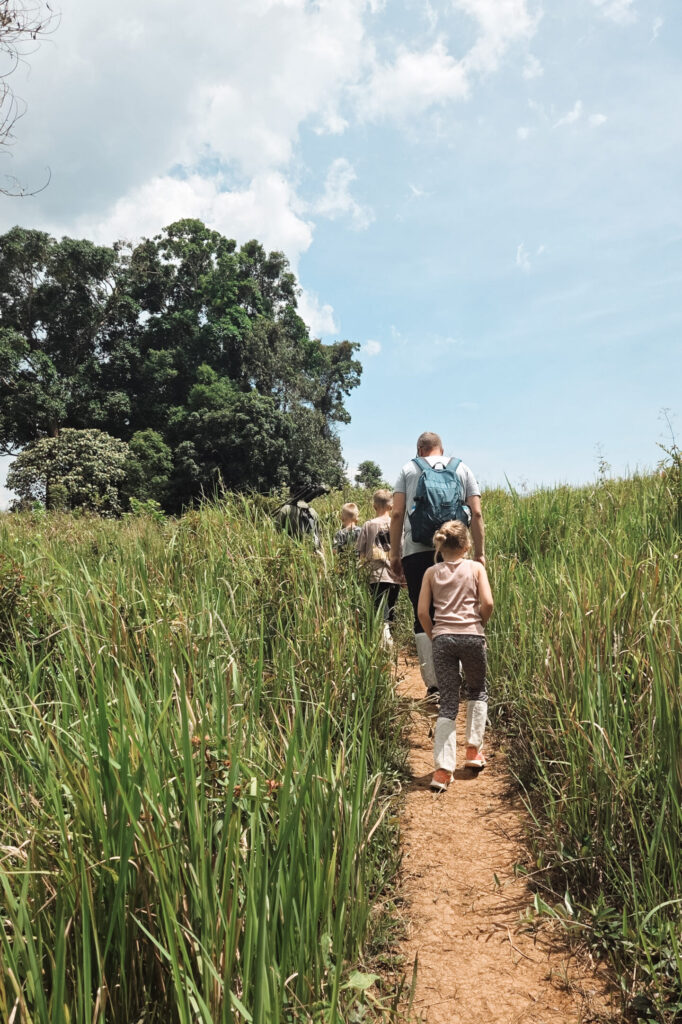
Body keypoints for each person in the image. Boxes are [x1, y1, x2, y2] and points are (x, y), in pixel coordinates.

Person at [390, 431, 485, 694]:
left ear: (419, 449)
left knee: (423, 613)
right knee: (456, 611)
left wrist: (395, 554)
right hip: (453, 551)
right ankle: (457, 677)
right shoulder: (462, 468)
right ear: (441, 449)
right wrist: (479, 553)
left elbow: (397, 513)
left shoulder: (408, 469)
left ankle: (435, 684)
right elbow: (476, 513)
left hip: (416, 551)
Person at [417, 520, 493, 791]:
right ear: (467, 545)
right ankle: (473, 751)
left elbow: (422, 612)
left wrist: (434, 635)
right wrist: (479, 624)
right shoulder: (476, 568)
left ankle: (442, 770)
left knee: (448, 702)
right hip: (472, 636)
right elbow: (488, 603)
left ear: (441, 546)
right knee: (477, 690)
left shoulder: (431, 572)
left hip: (443, 639)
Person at [355, 489, 404, 645]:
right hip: (395, 573)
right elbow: (402, 549)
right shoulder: (398, 525)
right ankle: (390, 640)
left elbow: (361, 552)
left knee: (379, 608)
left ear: (374, 506)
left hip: (375, 574)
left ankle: (384, 641)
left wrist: (361, 571)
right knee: (391, 606)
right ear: (391, 506)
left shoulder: (368, 525)